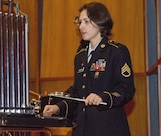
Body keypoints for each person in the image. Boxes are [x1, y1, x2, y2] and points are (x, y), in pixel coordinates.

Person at [43, 2, 135, 136]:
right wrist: (57, 108)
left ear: (100, 21)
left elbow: (126, 89)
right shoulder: (80, 56)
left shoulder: (116, 52)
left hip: (108, 128)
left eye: (86, 21)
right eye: (79, 22)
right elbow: (77, 92)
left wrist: (103, 97)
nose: (81, 27)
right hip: (82, 128)